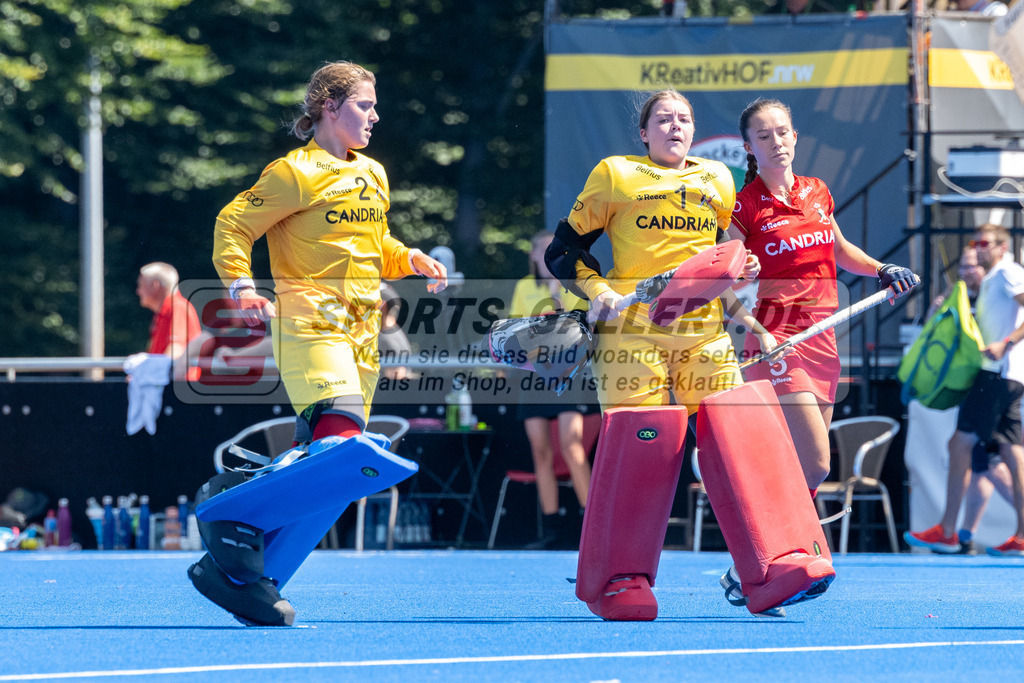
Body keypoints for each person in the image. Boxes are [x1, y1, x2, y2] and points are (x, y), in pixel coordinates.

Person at [546, 90, 845, 622]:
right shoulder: (615, 174)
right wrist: (600, 293)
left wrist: (742, 275)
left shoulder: (717, 180)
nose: (675, 126)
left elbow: (720, 256)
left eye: (683, 119)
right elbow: (562, 252)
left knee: (740, 443)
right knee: (645, 448)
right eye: (663, 119)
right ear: (644, 132)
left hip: (704, 335)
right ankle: (620, 579)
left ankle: (772, 565)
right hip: (632, 335)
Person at [192, 60, 449, 625]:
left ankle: (246, 577)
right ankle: (227, 510)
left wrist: (408, 258)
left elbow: (373, 242)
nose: (375, 116)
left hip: (363, 333)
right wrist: (241, 286)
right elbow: (233, 225)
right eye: (364, 104)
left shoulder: (374, 174)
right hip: (310, 320)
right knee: (343, 447)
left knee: (336, 471)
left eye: (375, 105)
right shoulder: (294, 172)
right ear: (329, 107)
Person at [728, 97, 918, 495]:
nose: (776, 141)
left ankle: (778, 552)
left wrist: (884, 269)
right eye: (763, 136)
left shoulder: (817, 191)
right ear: (749, 147)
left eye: (782, 132)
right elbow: (723, 280)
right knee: (815, 464)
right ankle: (762, 546)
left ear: (795, 136)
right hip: (777, 339)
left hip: (823, 338)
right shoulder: (743, 206)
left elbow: (841, 251)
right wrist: (752, 311)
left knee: (798, 469)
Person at [906, 223, 1024, 556]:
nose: (978, 248)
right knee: (1011, 456)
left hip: (996, 375)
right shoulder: (991, 281)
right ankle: (1018, 534)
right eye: (975, 242)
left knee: (960, 444)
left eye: (985, 243)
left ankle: (947, 530)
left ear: (1003, 247)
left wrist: (1006, 343)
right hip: (1006, 376)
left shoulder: (1007, 273)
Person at [509, 231, 593, 549]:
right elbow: (516, 329)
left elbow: (578, 325)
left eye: (551, 252)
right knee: (540, 453)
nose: (546, 258)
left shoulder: (571, 284)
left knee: (573, 448)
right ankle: (553, 527)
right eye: (541, 252)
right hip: (533, 376)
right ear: (532, 256)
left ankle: (590, 525)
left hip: (567, 373)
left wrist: (558, 292)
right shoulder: (523, 287)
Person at [135, 262, 202, 381]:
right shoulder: (166, 310)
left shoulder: (177, 307)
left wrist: (147, 375)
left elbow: (176, 349)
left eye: (140, 285)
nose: (138, 291)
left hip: (176, 385)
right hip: (170, 383)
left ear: (154, 286)